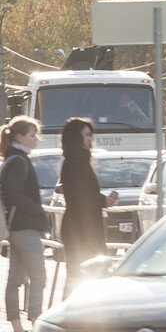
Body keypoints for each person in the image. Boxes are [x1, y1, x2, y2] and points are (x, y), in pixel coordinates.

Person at [0, 117, 48, 332]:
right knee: (38, 276)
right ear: (20, 137)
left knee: (15, 279)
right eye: (32, 135)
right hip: (25, 226)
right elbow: (15, 194)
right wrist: (39, 211)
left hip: (16, 228)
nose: (35, 139)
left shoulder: (13, 158)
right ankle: (36, 322)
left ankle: (18, 331)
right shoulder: (19, 161)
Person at [56, 117, 114, 295]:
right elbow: (81, 196)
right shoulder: (74, 163)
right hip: (80, 228)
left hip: (85, 226)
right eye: (87, 135)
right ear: (76, 137)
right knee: (80, 273)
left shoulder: (80, 161)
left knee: (84, 273)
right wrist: (102, 201)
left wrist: (102, 200)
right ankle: (72, 314)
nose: (91, 139)